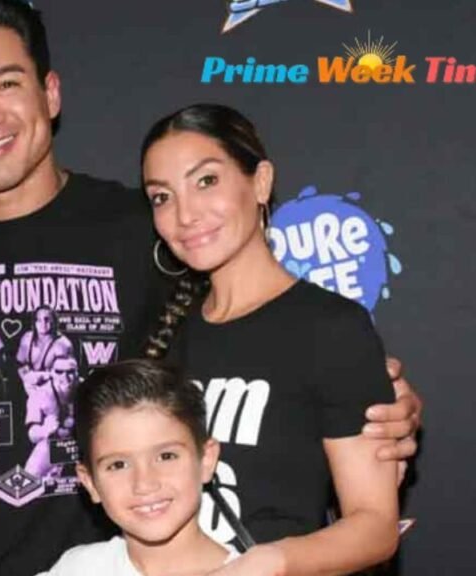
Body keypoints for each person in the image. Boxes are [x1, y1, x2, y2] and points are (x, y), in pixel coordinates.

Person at [0, 1, 421, 574]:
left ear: (50, 94)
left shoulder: (150, 230)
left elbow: (271, 340)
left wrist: (372, 396)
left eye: (6, 84)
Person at [141, 103, 400, 574]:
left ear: (260, 182)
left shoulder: (330, 328)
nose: (185, 214)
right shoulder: (162, 337)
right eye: (162, 196)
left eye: (206, 181)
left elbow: (375, 525)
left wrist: (271, 561)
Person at [40, 359, 236, 575]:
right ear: (90, 483)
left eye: (166, 456)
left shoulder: (255, 570)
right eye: (118, 465)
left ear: (206, 459)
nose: (144, 484)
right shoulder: (78, 568)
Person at [24, 354, 78, 478]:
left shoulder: (88, 389)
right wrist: (44, 430)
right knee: (30, 476)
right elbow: (32, 435)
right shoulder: (39, 394)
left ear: (77, 373)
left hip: (80, 444)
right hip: (51, 443)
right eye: (59, 372)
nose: (65, 377)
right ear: (51, 373)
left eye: (70, 372)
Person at [17, 305, 74, 387]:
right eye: (39, 320)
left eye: (47, 319)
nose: (43, 323)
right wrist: (27, 378)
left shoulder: (63, 344)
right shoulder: (27, 338)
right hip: (29, 387)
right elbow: (19, 364)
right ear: (34, 323)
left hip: (55, 388)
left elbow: (66, 377)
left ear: (54, 321)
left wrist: (44, 377)